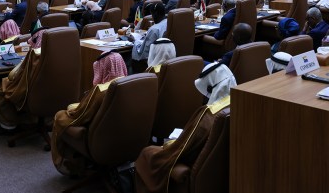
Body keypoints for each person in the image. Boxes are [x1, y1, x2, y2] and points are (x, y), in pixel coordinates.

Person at [135, 63, 233, 193]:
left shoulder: (208, 115)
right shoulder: (238, 105)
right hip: (220, 176)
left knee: (147, 153)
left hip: (189, 167)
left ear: (211, 88)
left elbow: (181, 149)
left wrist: (169, 143)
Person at [50, 50, 129, 177]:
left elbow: (79, 115)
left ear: (103, 68)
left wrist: (69, 110)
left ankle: (71, 165)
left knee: (60, 116)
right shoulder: (132, 84)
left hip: (99, 140)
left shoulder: (101, 91)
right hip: (126, 139)